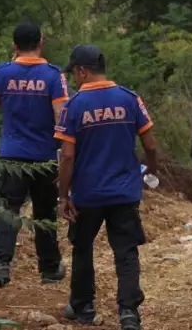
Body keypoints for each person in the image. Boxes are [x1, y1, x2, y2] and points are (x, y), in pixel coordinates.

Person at [54, 44, 157, 330]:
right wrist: (152, 169)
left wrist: (64, 195)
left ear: (83, 71)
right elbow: (150, 143)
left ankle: (83, 306)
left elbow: (68, 156)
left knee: (82, 245)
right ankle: (128, 314)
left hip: (87, 194)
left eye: (74, 72)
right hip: (125, 191)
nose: (74, 77)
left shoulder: (73, 107)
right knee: (125, 251)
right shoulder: (130, 99)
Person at [0, 22, 68, 287]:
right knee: (45, 213)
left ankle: (0, 268)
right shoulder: (54, 76)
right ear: (41, 43)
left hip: (12, 155)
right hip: (44, 156)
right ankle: (50, 269)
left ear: (14, 45)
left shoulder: (3, 72)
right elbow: (61, 115)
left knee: (9, 210)